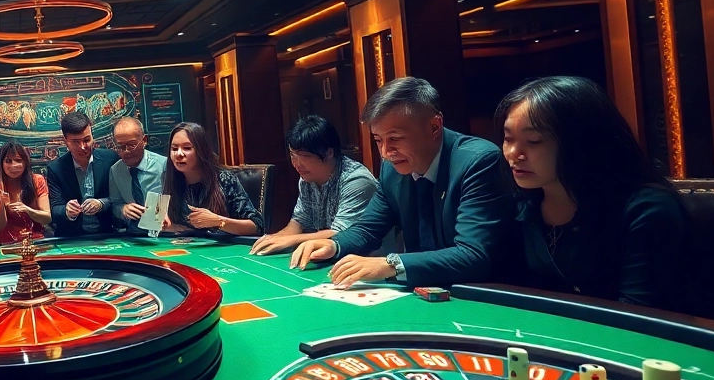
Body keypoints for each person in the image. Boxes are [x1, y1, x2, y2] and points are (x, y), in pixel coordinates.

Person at [290, 77, 515, 288]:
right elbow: (368, 228)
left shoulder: (479, 161)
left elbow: (472, 255)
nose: (386, 153)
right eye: (378, 140)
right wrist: (334, 245)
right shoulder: (392, 169)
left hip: (481, 296)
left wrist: (391, 264)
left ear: (434, 127)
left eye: (395, 139)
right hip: (422, 292)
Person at [496, 76, 687, 309]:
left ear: (582, 141)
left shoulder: (647, 210)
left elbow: (639, 314)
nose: (513, 153)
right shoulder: (523, 205)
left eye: (534, 141)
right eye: (508, 139)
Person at [251, 116, 378, 255]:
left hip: (366, 260)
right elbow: (299, 222)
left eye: (304, 155)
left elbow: (340, 234)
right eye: (293, 155)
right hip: (329, 257)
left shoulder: (356, 180)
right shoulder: (306, 179)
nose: (296, 164)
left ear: (329, 153)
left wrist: (290, 240)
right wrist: (276, 238)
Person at [162, 122, 263, 236]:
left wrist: (218, 221)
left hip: (224, 248)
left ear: (201, 151)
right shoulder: (170, 179)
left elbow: (257, 226)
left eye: (187, 148)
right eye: (174, 148)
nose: (179, 154)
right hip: (186, 247)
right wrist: (165, 224)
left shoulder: (224, 179)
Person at [46, 112, 120, 237]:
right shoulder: (55, 169)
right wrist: (67, 211)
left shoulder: (111, 159)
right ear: (65, 141)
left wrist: (101, 204)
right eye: (75, 142)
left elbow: (119, 198)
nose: (82, 147)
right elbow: (55, 209)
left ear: (92, 136)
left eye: (87, 140)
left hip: (107, 233)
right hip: (71, 236)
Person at [108, 117, 166, 234]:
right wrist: (123, 209)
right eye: (120, 146)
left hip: (165, 231)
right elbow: (115, 204)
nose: (126, 151)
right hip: (133, 234)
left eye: (132, 145)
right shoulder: (115, 170)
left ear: (144, 140)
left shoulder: (164, 165)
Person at [0, 142, 52, 243]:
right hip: (7, 242)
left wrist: (27, 210)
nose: (13, 165)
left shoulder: (37, 181)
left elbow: (46, 218)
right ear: (1, 163)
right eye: (8, 161)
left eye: (18, 160)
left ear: (25, 162)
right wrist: (2, 206)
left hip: (35, 239)